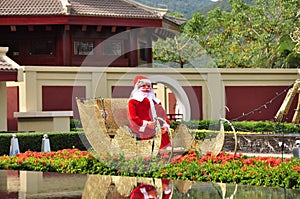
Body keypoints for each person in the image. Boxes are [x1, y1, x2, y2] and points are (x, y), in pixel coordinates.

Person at [127, 75, 171, 149]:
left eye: (148, 86)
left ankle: (167, 153)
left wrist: (165, 125)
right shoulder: (133, 101)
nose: (146, 88)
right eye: (143, 86)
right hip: (141, 128)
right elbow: (133, 117)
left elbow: (163, 115)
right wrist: (146, 124)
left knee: (164, 139)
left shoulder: (155, 101)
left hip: (157, 128)